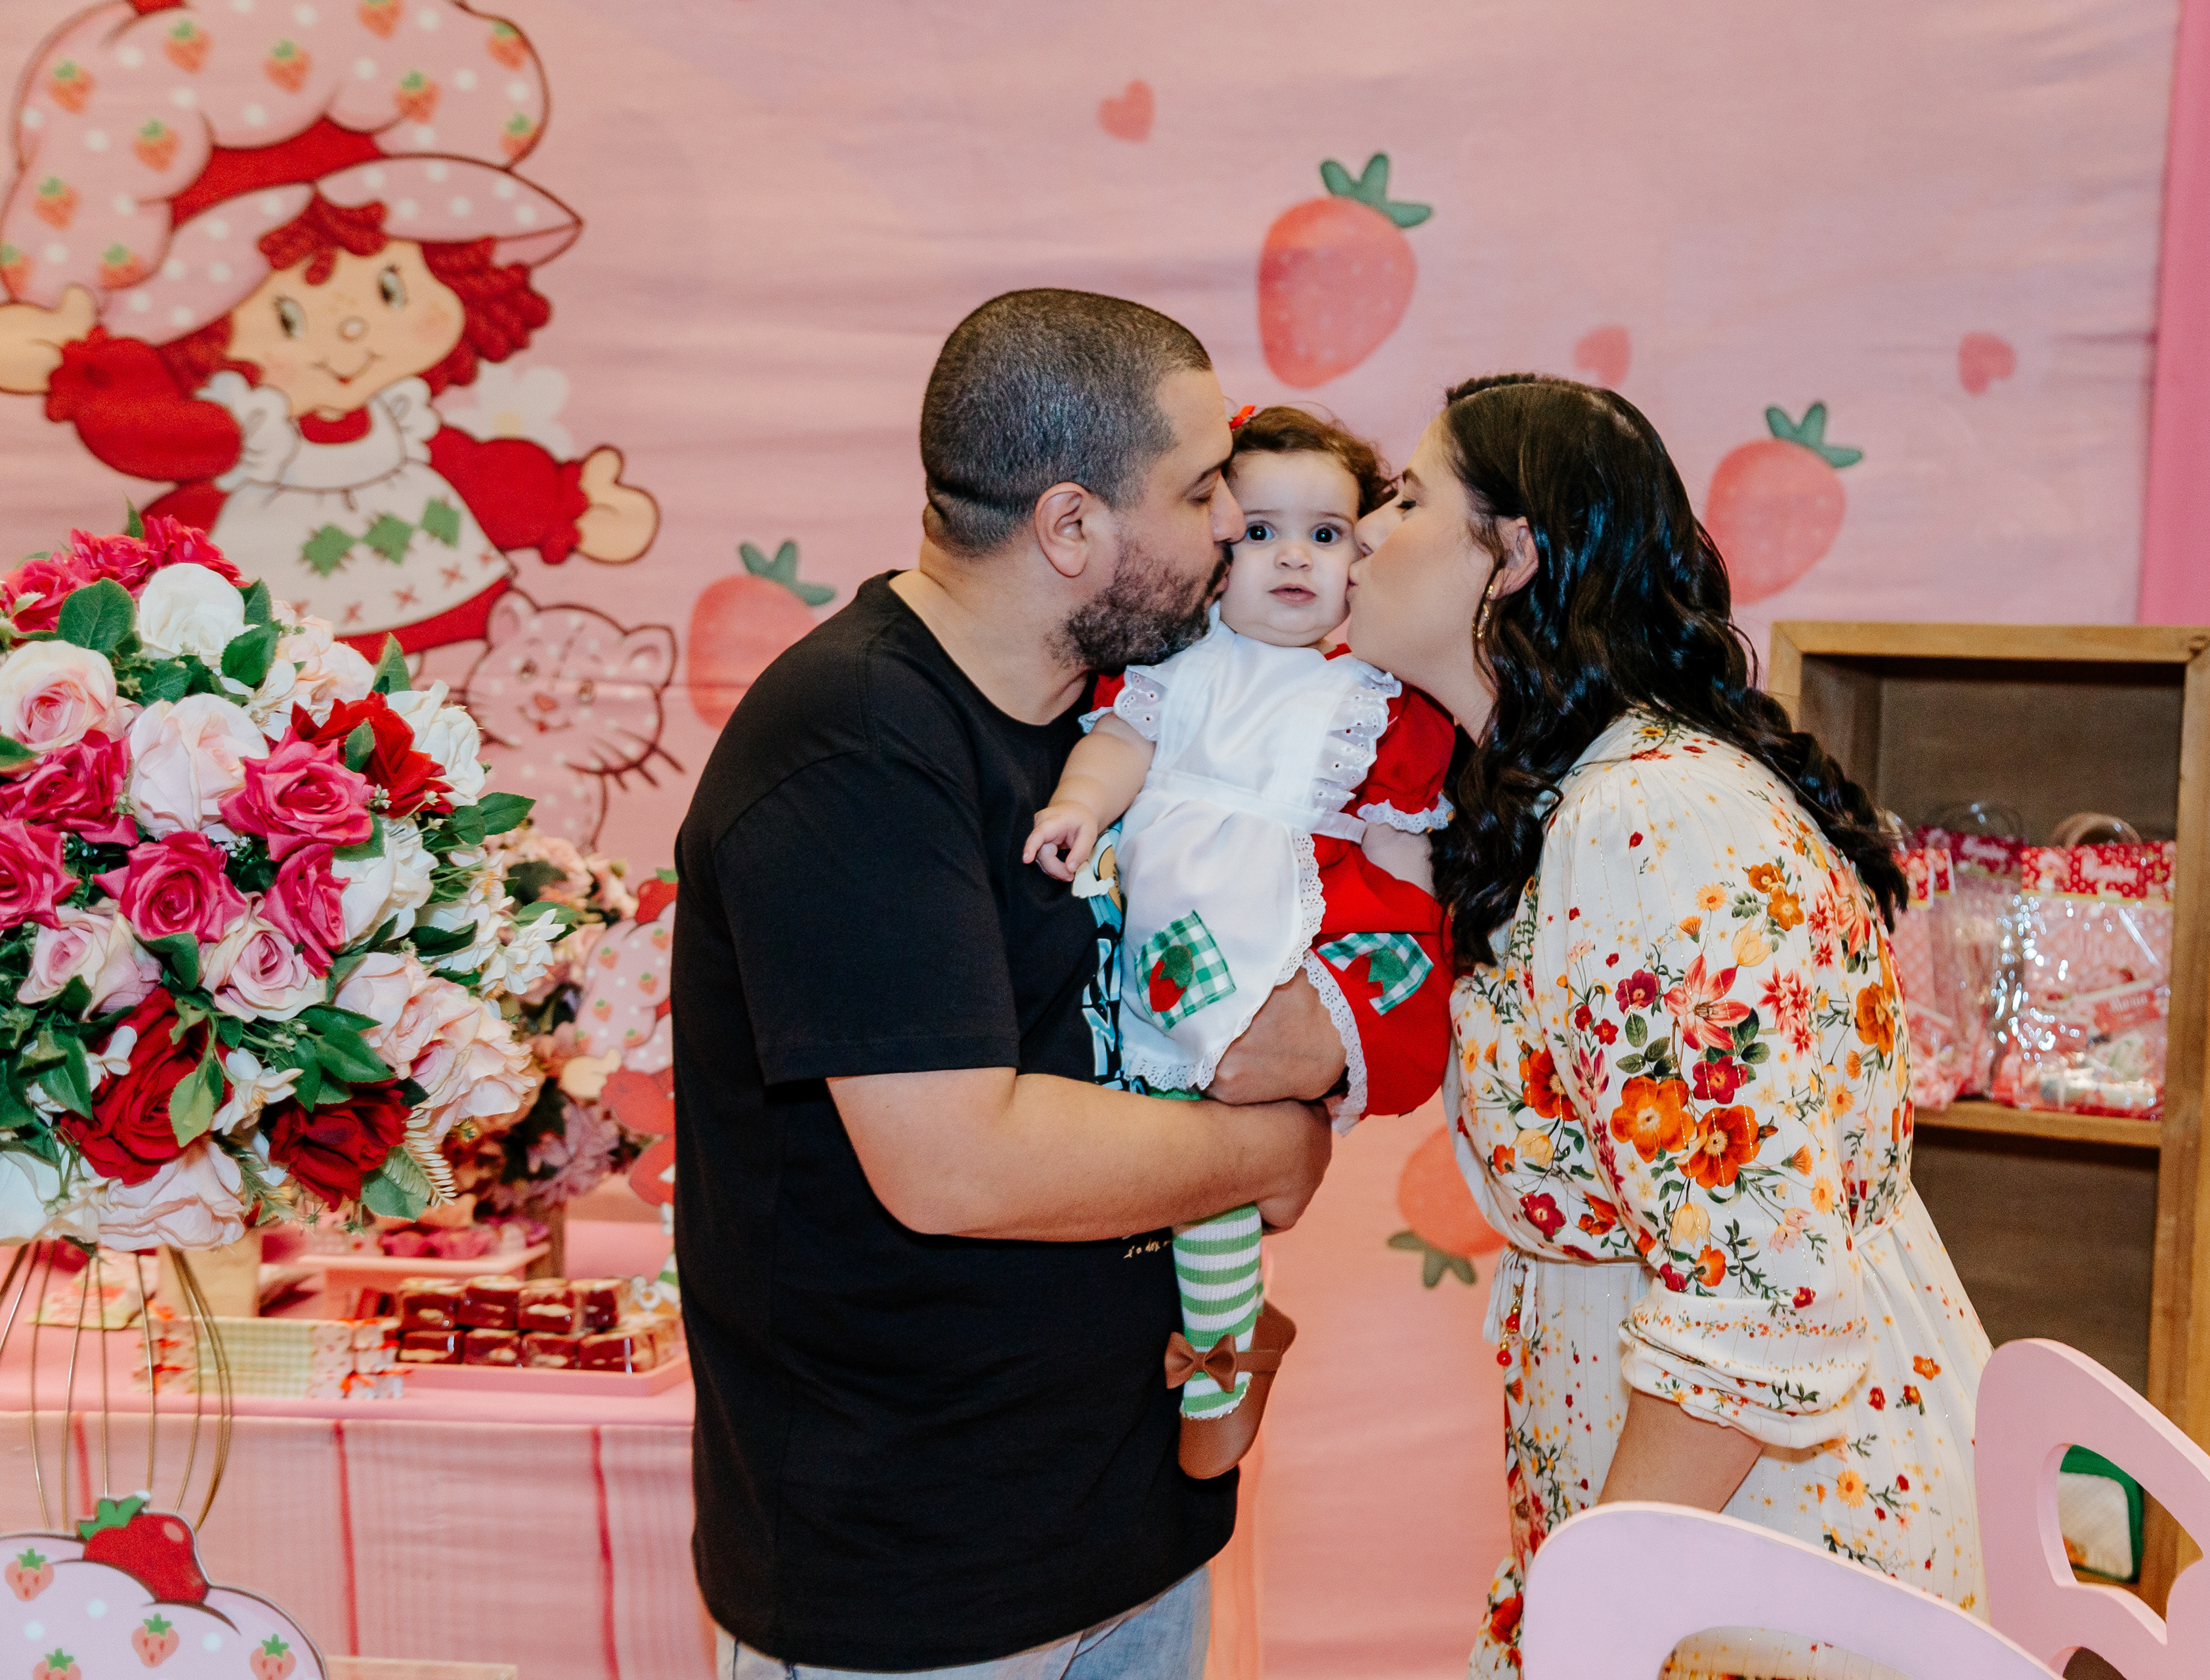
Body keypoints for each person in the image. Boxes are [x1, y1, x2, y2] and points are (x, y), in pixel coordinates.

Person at [672, 290, 1335, 1679]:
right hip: (918, 1585)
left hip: (1130, 1523)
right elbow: (954, 1160)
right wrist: (1268, 1149)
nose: (1232, 522)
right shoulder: (856, 744)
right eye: (1200, 488)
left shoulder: (1108, 725)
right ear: (1071, 526)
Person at [1343, 373, 1991, 1676]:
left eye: (1407, 499)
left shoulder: (1647, 822)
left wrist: (1601, 1619)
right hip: (1690, 1511)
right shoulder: (1582, 798)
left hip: (1763, 1530)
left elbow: (1759, 1294)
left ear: (1513, 554)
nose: (1362, 531)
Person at [1024, 406, 1454, 1479]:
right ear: (1213, 549)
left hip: (1280, 933)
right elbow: (1119, 747)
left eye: (1326, 534)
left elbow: (1403, 863)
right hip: (1161, 929)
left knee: (1225, 1132)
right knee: (1151, 1134)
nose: (1294, 558)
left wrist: (1380, 983)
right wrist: (1077, 806)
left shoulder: (1375, 701)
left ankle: (1221, 1361)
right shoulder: (1175, 663)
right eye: (1261, 533)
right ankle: (1204, 1336)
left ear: (1362, 555)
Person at [0, 3, 654, 658]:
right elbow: (162, 441)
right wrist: (85, 375)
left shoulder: (402, 427)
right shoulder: (246, 432)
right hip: (273, 657)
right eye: (287, 316)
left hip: (446, 624)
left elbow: (479, 476)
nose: (352, 331)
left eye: (391, 287)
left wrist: (563, 505)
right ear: (203, 334)